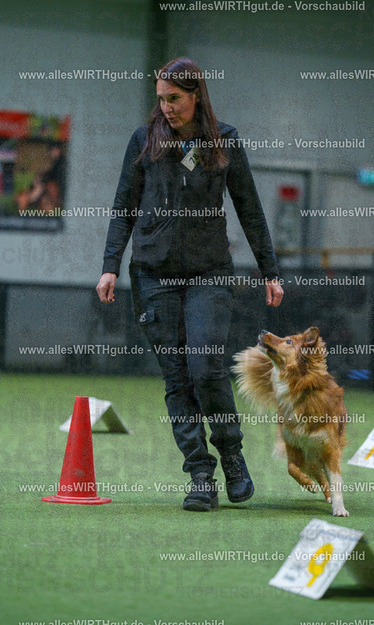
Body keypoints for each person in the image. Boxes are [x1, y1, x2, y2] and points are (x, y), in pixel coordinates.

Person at [96, 56, 283, 511]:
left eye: (175, 99)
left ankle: (232, 454)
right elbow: (124, 206)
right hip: (153, 275)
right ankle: (200, 474)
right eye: (161, 99)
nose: (167, 108)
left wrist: (270, 270)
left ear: (196, 95)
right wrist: (110, 264)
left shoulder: (224, 141)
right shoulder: (143, 140)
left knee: (206, 367)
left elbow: (250, 208)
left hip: (208, 274)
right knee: (177, 378)